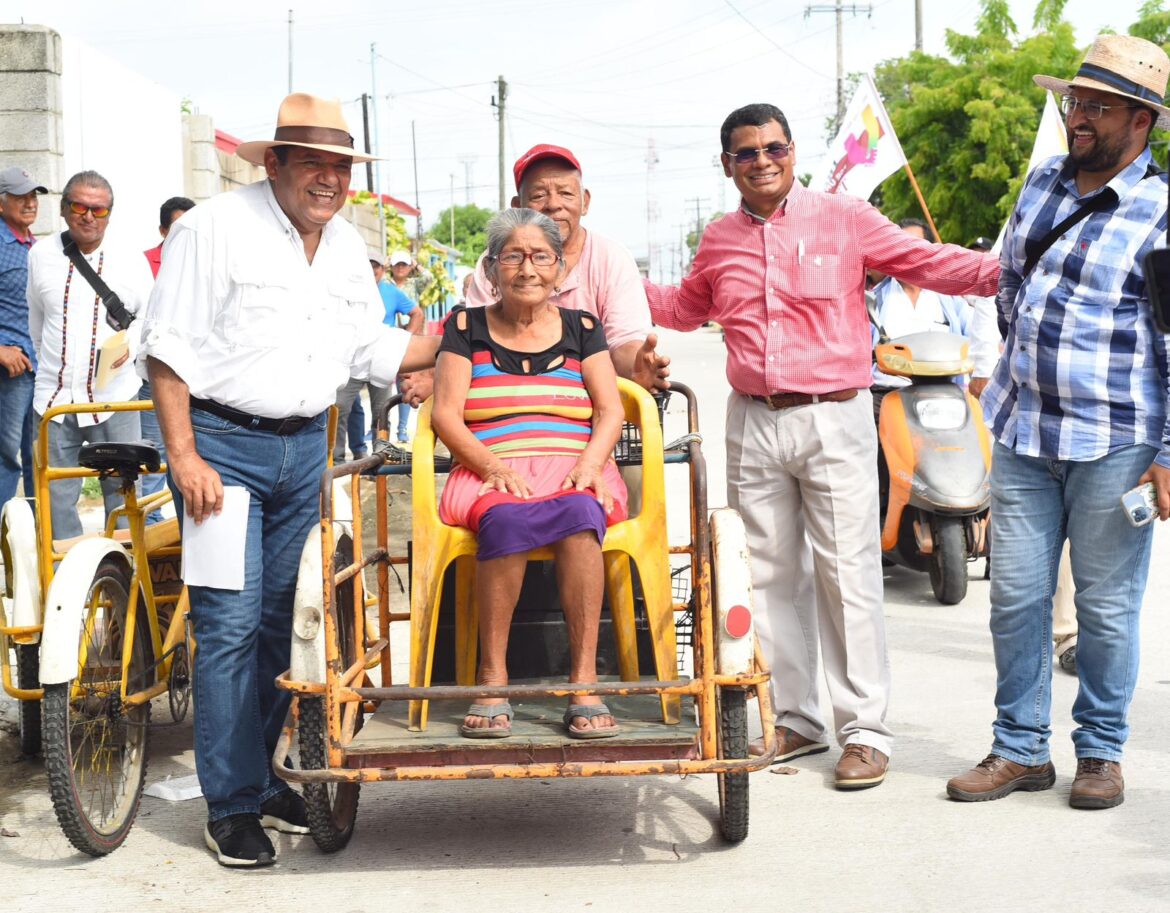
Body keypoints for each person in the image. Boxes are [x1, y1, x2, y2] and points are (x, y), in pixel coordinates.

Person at [645, 103, 997, 790]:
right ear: (727, 165)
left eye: (774, 146)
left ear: (793, 150)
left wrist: (1007, 268)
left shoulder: (844, 218)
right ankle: (799, 718)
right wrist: (606, 284)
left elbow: (928, 261)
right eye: (746, 152)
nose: (762, 160)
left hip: (834, 417)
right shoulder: (719, 239)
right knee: (770, 576)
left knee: (850, 575)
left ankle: (864, 729)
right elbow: (687, 307)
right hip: (754, 420)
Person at [139, 92, 440, 867]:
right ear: (272, 162)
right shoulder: (214, 228)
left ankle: (263, 779)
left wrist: (467, 338)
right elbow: (165, 349)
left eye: (340, 168)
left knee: (285, 620)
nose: (329, 181)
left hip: (305, 447)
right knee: (229, 625)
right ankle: (231, 804)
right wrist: (185, 456)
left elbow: (368, 346)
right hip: (224, 451)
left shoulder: (341, 245)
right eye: (313, 164)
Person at [947, 35, 1170, 810]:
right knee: (1014, 597)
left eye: (1098, 107)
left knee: (1106, 608)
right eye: (1076, 101)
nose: (1079, 117)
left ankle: (1101, 752)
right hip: (1022, 431)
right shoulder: (1041, 183)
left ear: (1140, 121)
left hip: (1116, 441)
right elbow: (1010, 281)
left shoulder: (1164, 211)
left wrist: (1167, 451)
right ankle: (1019, 748)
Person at [431, 208, 627, 739]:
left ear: (560, 269)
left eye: (541, 256)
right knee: (506, 520)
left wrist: (589, 464)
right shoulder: (464, 327)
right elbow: (444, 414)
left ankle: (583, 682)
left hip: (573, 467)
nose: (528, 268)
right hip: (490, 469)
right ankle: (493, 679)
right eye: (513, 256)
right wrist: (492, 466)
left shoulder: (582, 328)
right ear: (492, 269)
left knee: (583, 514)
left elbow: (610, 410)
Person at [401, 143, 670, 406]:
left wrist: (635, 366)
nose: (554, 205)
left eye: (566, 193)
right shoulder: (496, 261)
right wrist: (442, 376)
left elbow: (624, 341)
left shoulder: (611, 258)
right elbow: (474, 343)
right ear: (518, 206)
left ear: (584, 201)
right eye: (539, 195)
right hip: (507, 407)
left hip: (587, 409)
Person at [966, 235, 1080, 673]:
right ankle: (1019, 728)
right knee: (1021, 578)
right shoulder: (1035, 209)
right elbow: (993, 293)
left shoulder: (1142, 212)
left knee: (1093, 561)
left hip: (1102, 424)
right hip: (1022, 414)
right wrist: (982, 365)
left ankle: (1074, 635)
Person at [27, 170, 154, 539]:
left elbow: (151, 319)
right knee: (55, 494)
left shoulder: (130, 259)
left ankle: (123, 575)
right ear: (65, 209)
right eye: (80, 207)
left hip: (115, 397)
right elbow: (38, 321)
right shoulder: (41, 255)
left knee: (125, 491)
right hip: (55, 399)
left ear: (109, 215)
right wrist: (50, 369)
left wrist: (131, 342)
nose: (89, 217)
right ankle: (65, 573)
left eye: (99, 211)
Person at [870, 218, 972, 420]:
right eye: (900, 244)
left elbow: (975, 344)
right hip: (885, 396)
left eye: (915, 245)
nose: (908, 252)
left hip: (944, 396)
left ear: (929, 251)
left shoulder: (951, 301)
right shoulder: (874, 300)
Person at [334, 253, 421, 460]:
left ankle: (379, 458)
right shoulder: (350, 288)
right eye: (368, 265)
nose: (372, 270)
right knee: (340, 408)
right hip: (354, 359)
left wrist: (404, 341)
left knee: (381, 412)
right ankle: (337, 458)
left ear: (383, 269)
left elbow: (417, 313)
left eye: (377, 266)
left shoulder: (390, 291)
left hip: (382, 359)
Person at [141, 196, 195, 522]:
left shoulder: (210, 263)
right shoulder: (145, 264)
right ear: (163, 231)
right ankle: (151, 522)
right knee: (155, 450)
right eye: (178, 229)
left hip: (198, 378)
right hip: (157, 374)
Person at [0, 167, 47, 503]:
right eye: (20, 197)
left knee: (39, 458)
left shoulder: (36, 246)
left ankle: (36, 542)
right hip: (9, 370)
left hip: (38, 367)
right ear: (1, 204)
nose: (30, 203)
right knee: (5, 458)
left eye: (33, 196)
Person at [386, 250, 429, 441]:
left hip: (413, 339)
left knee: (406, 383)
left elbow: (428, 277)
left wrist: (415, 263)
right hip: (391, 337)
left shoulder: (414, 284)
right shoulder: (385, 285)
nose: (401, 268)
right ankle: (382, 426)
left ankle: (402, 429)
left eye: (404, 265)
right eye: (397, 265)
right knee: (387, 384)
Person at [144, 196, 195, 278]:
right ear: (163, 231)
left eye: (192, 227)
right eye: (180, 229)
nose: (187, 234)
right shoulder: (144, 262)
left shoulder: (206, 261)